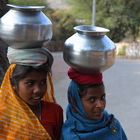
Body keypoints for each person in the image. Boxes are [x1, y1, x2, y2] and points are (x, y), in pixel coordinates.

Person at [0, 47, 63, 140]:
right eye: (30, 83)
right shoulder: (3, 115)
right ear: (13, 84)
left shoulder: (55, 111)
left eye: (42, 82)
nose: (38, 90)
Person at [61, 67, 127, 140]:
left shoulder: (112, 124)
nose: (100, 105)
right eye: (92, 100)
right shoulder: (71, 136)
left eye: (102, 98)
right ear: (76, 102)